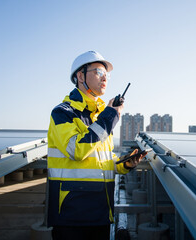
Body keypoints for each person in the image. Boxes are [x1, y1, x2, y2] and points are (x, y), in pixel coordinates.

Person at [47, 50, 146, 240]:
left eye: (107, 74)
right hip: (72, 214)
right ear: (80, 76)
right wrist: (109, 117)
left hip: (100, 212)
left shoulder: (99, 116)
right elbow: (76, 150)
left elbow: (102, 161)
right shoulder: (63, 113)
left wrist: (126, 163)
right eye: (99, 72)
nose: (105, 78)